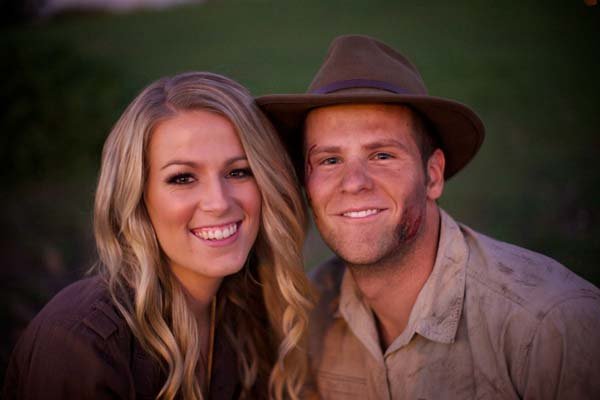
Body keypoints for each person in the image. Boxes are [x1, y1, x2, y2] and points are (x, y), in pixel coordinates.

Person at [257, 34, 600, 399]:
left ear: (433, 175)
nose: (353, 183)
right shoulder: (306, 320)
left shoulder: (550, 326)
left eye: (382, 155)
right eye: (330, 160)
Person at [3, 72, 313, 400]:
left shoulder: (248, 311)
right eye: (182, 178)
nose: (219, 203)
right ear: (137, 197)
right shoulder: (81, 341)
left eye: (238, 172)